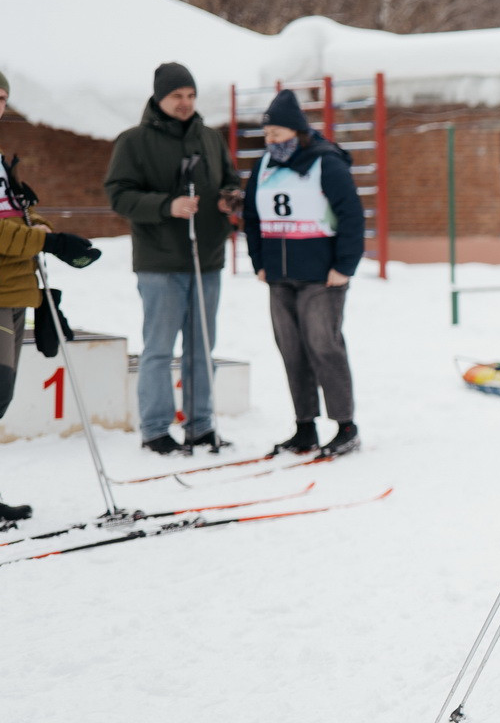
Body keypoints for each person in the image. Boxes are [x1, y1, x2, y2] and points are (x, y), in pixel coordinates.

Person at [0, 61, 102, 529]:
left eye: (2, 98)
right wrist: (47, 242)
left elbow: (6, 221)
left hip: (11, 288)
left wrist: (42, 227)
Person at [104, 62, 241, 455]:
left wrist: (228, 197)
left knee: (202, 347)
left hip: (206, 257)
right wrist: (167, 205)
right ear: (159, 98)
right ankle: (155, 428)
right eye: (177, 96)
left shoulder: (211, 138)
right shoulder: (133, 142)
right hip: (160, 262)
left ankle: (200, 425)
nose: (185, 103)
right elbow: (119, 195)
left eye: (191, 95)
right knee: (159, 348)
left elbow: (230, 179)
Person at [242, 88, 364, 458]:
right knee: (291, 351)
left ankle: (345, 426)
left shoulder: (326, 163)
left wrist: (344, 266)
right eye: (267, 135)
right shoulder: (264, 167)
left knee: (323, 346)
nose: (271, 141)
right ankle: (304, 426)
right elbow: (251, 218)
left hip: (321, 277)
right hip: (279, 277)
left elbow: (352, 216)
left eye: (277, 134)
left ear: (296, 132)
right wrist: (258, 262)